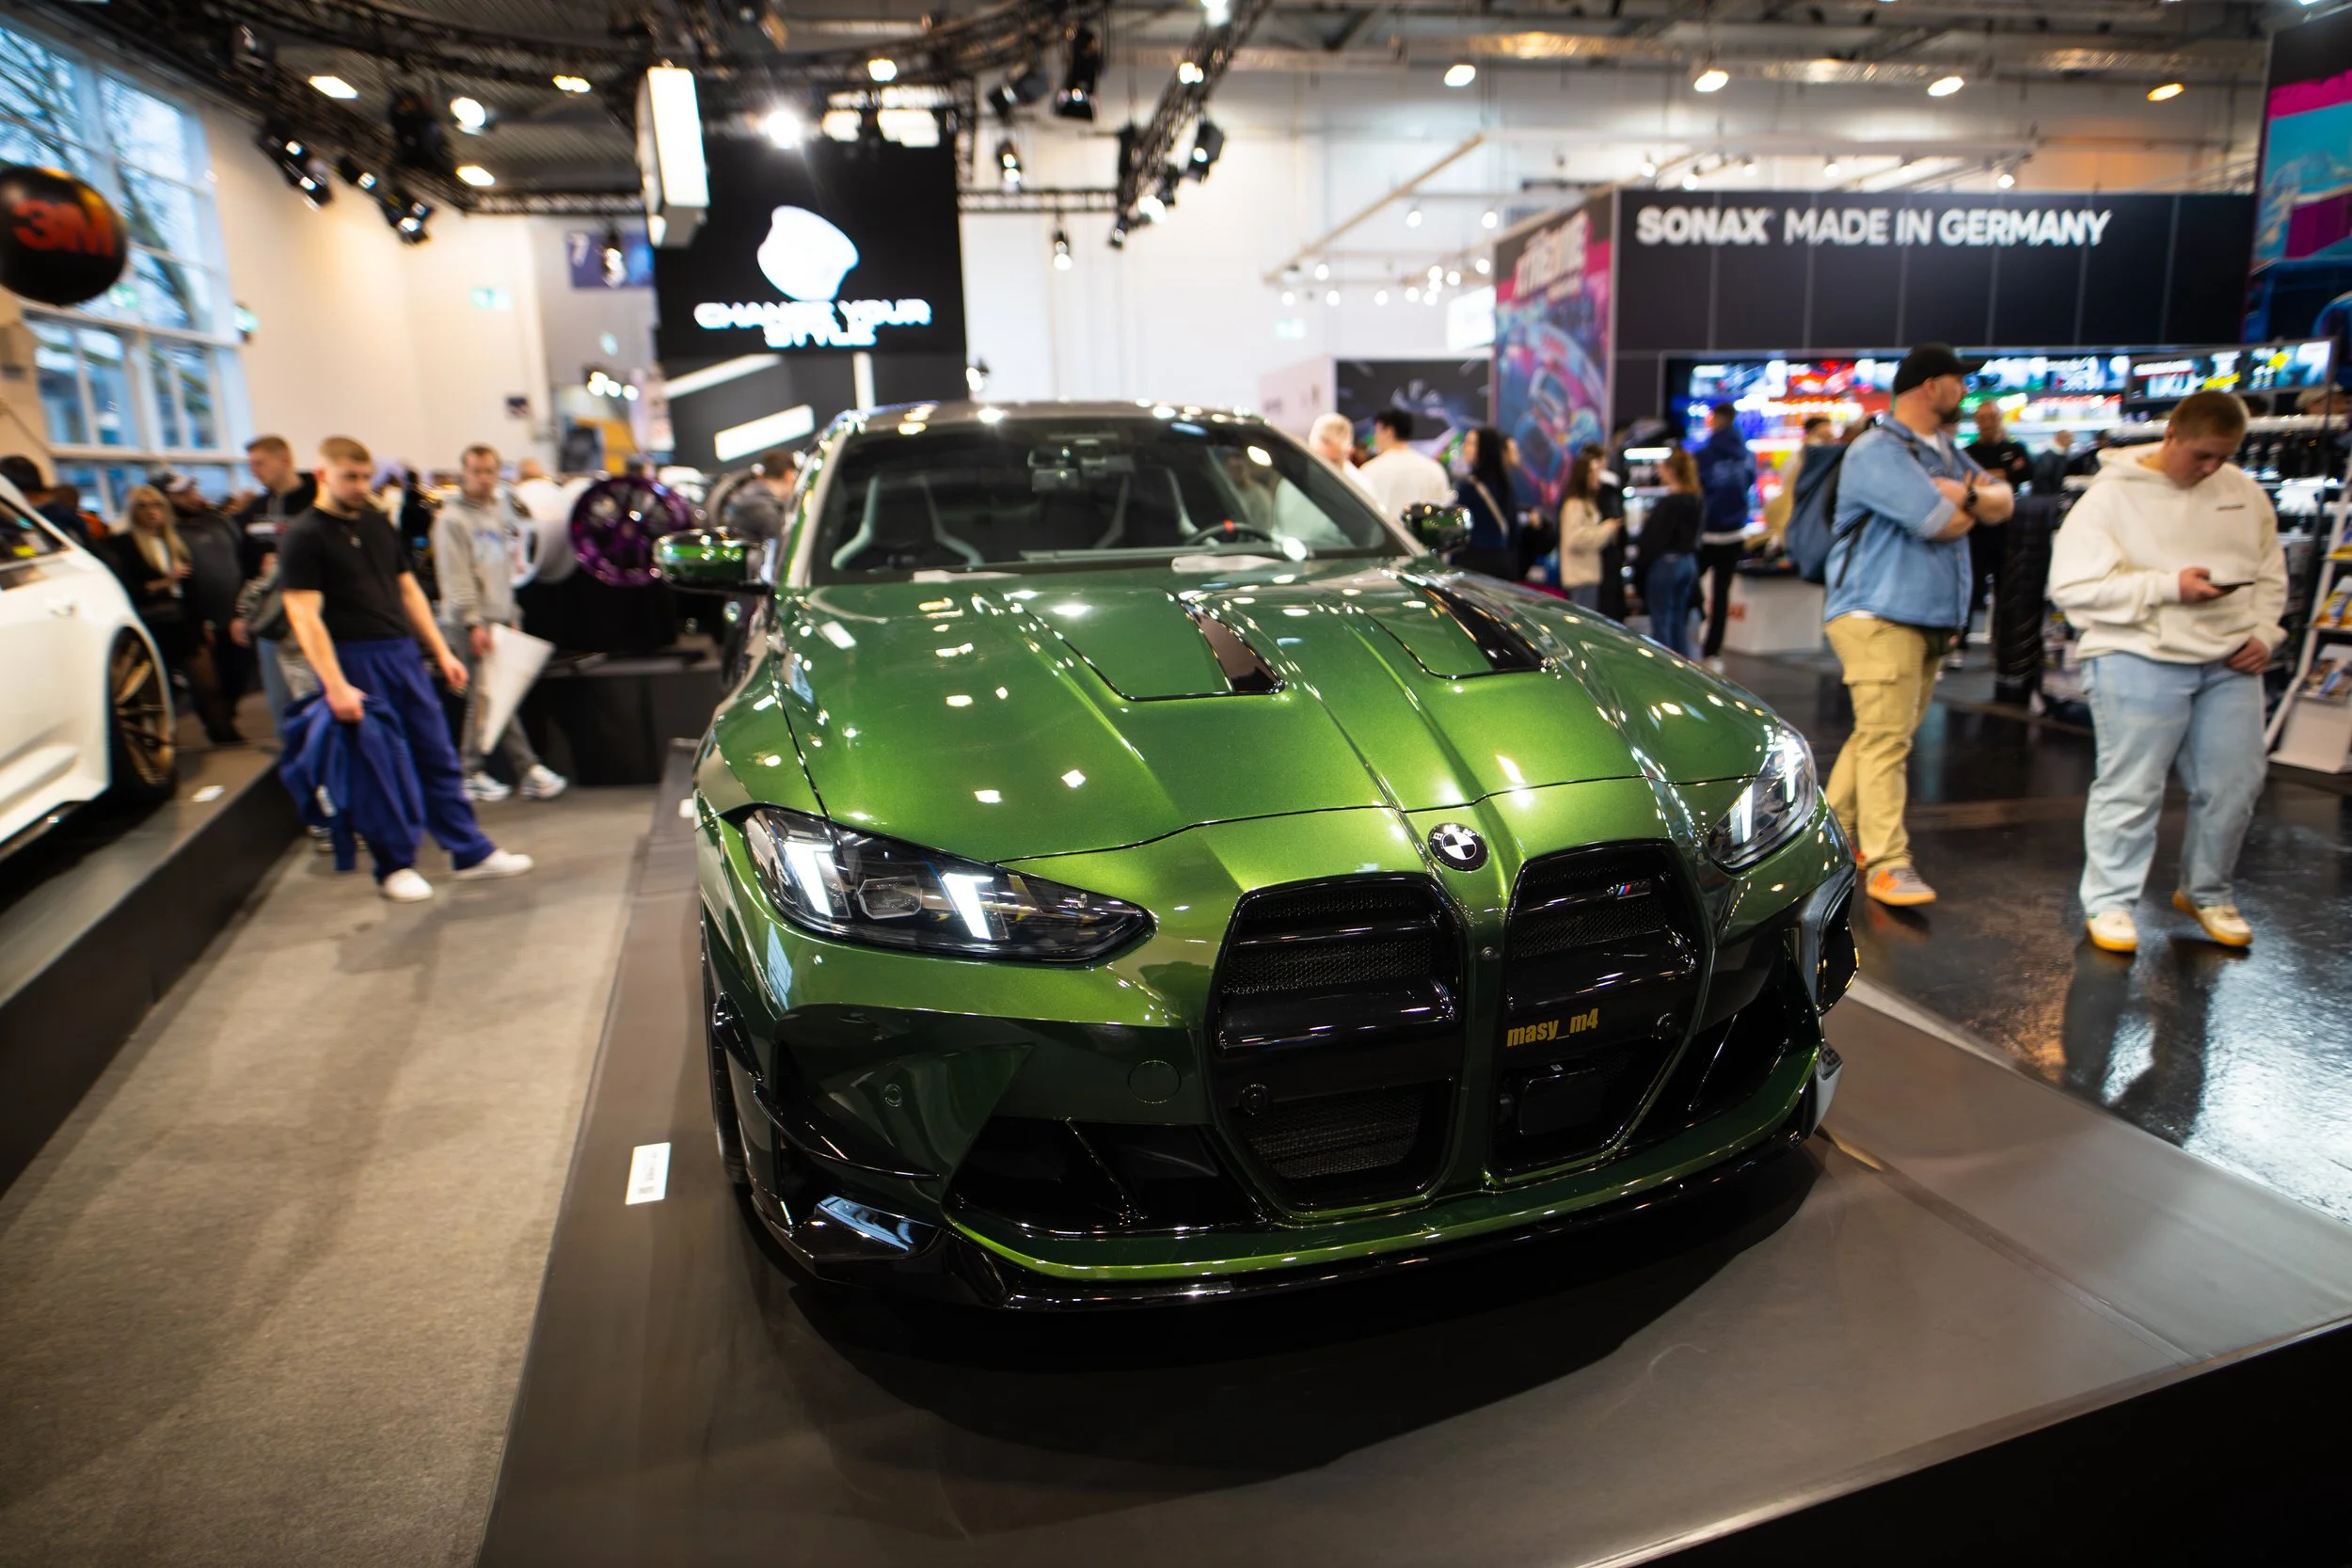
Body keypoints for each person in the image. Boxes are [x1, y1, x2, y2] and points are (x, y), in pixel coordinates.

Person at [2047, 390, 2282, 955]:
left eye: (2224, 456)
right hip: (2135, 654)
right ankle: (2109, 901)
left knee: (2235, 784)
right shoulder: (2109, 498)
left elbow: (2271, 573)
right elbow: (2071, 589)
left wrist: (2265, 633)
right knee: (2132, 785)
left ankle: (2208, 892)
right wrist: (2168, 587)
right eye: (2202, 454)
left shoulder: (2243, 491)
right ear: (2171, 434)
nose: (2212, 467)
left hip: (2229, 657)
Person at [279, 436, 532, 903]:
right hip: (352, 660)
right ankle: (395, 865)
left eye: (364, 477)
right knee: (378, 768)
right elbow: (304, 615)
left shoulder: (376, 522)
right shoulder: (304, 536)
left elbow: (408, 590)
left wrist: (441, 651)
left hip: (401, 654)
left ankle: (468, 850)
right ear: (322, 475)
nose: (360, 486)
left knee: (437, 754)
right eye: (349, 477)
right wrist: (335, 685)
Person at [1822, 343, 2016, 909]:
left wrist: (1968, 495)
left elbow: (2004, 503)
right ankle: (1887, 863)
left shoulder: (1946, 452)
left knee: (1880, 736)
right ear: (1931, 386)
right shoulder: (1877, 450)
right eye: (1959, 380)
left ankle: (1830, 837)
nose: (1966, 391)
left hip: (1926, 616)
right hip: (1879, 615)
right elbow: (1939, 523)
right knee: (1886, 740)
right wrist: (1972, 502)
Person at [433, 444, 568, 804]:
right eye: (476, 471)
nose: (484, 478)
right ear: (464, 473)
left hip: (498, 618)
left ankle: (504, 771)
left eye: (490, 471)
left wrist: (510, 615)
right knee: (486, 699)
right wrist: (472, 623)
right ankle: (492, 770)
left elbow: (503, 569)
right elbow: (456, 578)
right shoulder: (451, 520)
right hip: (469, 623)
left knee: (496, 698)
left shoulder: (496, 512)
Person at [99, 485, 239, 742]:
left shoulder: (174, 542)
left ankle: (223, 733)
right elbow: (125, 588)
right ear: (133, 511)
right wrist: (163, 583)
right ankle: (163, 742)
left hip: (184, 621)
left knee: (208, 684)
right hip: (152, 624)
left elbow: (192, 588)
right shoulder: (122, 546)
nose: (151, 511)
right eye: (142, 506)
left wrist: (202, 622)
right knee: (159, 691)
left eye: (155, 505)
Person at [230, 436, 320, 721]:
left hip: (318, 610)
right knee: (281, 700)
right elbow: (243, 565)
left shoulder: (318, 500)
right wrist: (240, 614)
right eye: (251, 466)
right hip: (273, 617)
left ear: (285, 460)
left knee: (320, 690)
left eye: (260, 463)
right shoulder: (253, 512)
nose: (255, 471)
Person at [162, 473, 249, 713]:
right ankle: (219, 725)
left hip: (235, 611)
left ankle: (226, 715)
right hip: (197, 618)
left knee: (238, 671)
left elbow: (241, 554)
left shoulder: (218, 521)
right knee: (209, 683)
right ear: (168, 498)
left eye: (192, 490)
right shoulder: (167, 533)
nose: (193, 497)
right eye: (183, 494)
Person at [1958, 401, 2032, 664]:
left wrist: (1987, 481)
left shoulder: (2016, 449)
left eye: (1991, 416)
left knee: (2007, 590)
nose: (1987, 422)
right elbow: (1966, 483)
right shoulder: (1967, 453)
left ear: (2000, 418)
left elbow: (2022, 476)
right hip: (1975, 531)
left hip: (2007, 531)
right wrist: (1999, 478)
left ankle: (2003, 644)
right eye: (1982, 417)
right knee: (1970, 588)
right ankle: (1959, 642)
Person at [1693, 403, 1756, 670]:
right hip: (1735, 533)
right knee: (1722, 595)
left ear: (1715, 420)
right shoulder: (1746, 455)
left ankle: (1690, 636)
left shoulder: (1705, 455)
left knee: (1688, 585)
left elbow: (1697, 489)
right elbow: (1749, 482)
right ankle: (1712, 652)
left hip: (1708, 533)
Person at [1526, 451, 1619, 610]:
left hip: (1589, 575)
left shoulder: (1587, 503)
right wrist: (1606, 529)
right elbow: (1575, 539)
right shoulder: (1574, 505)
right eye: (1593, 472)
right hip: (1579, 577)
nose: (1598, 476)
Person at [1637, 450, 1703, 657]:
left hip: (1666, 564)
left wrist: (1641, 566)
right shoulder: (1696, 499)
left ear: (1672, 471)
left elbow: (1652, 539)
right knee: (1678, 620)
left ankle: (1663, 664)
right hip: (1688, 563)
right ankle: (1683, 664)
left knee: (1662, 621)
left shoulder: (1668, 504)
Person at [1356, 410, 1453, 520]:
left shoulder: (1370, 470)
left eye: (1377, 431)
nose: (1374, 437)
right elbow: (1442, 515)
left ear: (1388, 431)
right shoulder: (1434, 469)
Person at [1452, 426, 1519, 580]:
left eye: (1471, 443)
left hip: (1473, 563)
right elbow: (1514, 530)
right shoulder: (1505, 485)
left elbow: (1459, 530)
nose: (1465, 447)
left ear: (1484, 448)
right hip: (1502, 563)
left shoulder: (1468, 487)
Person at [2032, 429, 2076, 497]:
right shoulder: (2048, 457)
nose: (2071, 441)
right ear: (2058, 438)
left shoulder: (2062, 455)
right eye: (2068, 438)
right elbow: (2041, 481)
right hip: (2046, 497)